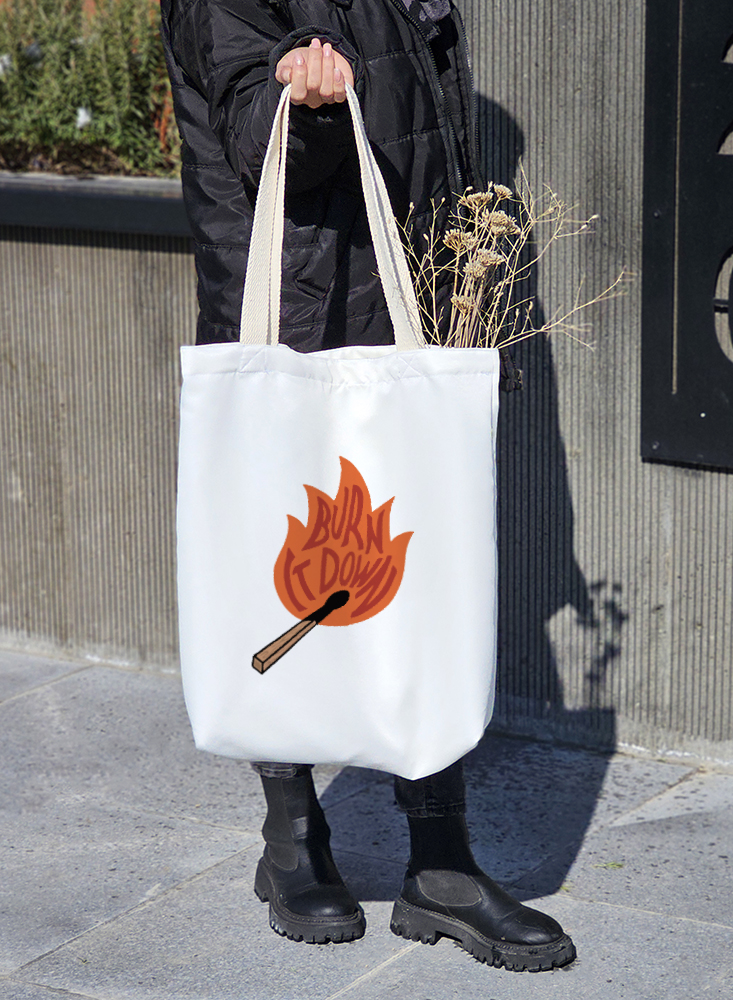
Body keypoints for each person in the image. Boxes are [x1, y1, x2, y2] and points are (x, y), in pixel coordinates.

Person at [159, 0, 575, 973]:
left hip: (400, 300)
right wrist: (301, 105)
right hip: (297, 303)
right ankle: (292, 837)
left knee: (418, 572)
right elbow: (254, 133)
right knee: (287, 571)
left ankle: (442, 861)